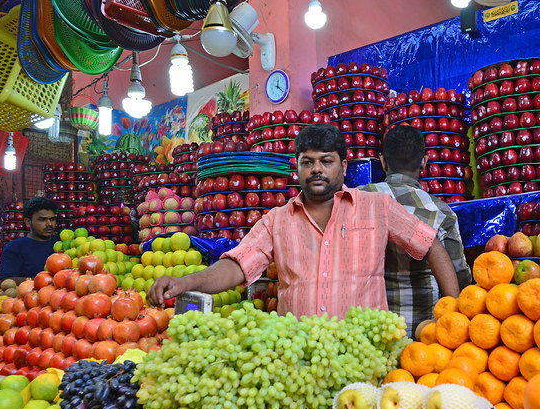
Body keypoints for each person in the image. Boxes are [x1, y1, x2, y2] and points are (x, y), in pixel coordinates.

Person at [146, 125, 460, 322]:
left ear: (343, 165)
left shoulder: (375, 206)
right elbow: (238, 266)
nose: (316, 169)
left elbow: (428, 242)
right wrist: (186, 283)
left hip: (363, 352)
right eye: (307, 162)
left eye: (326, 161)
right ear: (297, 167)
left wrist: (453, 311)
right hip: (298, 358)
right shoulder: (277, 220)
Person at [359, 125, 472, 332]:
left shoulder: (360, 198)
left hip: (370, 330)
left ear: (383, 162)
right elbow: (460, 277)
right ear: (424, 162)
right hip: (424, 332)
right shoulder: (441, 212)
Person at [0, 196, 59, 284]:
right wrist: (43, 281)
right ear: (28, 221)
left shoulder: (60, 243)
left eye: (52, 219)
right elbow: (6, 281)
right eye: (42, 220)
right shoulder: (15, 247)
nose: (49, 224)